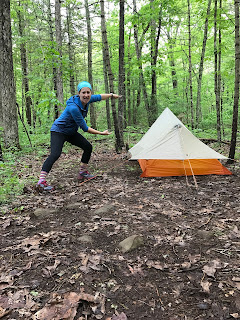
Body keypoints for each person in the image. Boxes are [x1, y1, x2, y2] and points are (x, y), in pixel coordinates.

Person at [36, 81, 121, 191]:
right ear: (79, 93)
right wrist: (101, 133)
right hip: (59, 131)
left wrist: (111, 95)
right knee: (55, 154)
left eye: (88, 92)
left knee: (88, 147)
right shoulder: (74, 108)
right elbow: (85, 128)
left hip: (71, 132)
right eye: (83, 92)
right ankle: (41, 181)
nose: (86, 95)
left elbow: (100, 97)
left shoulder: (89, 99)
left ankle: (82, 172)